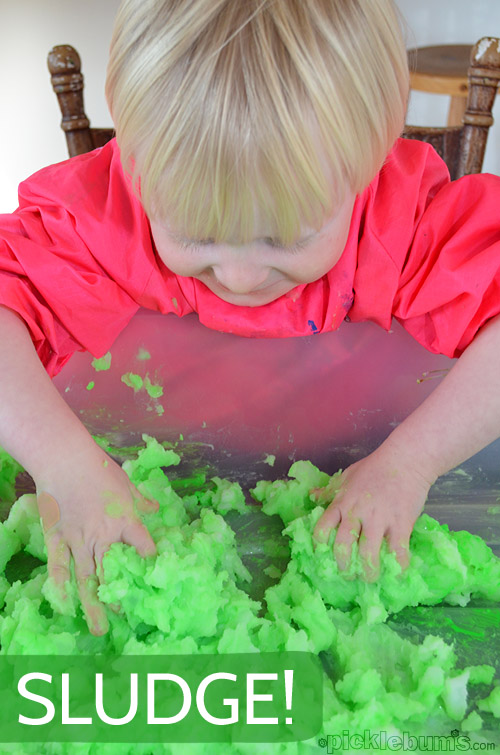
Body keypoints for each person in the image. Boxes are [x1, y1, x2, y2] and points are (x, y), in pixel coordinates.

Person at [1, 0, 500, 636]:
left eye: (284, 239)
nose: (238, 277)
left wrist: (413, 463)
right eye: (194, 233)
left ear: (367, 163)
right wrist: (65, 465)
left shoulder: (403, 224)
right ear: (136, 166)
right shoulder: (101, 219)